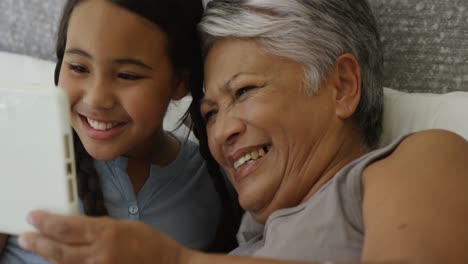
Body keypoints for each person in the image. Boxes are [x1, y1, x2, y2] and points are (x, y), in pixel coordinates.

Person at [16, 0, 468, 263]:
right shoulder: (240, 234)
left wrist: (176, 262)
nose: (221, 133)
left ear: (342, 86)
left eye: (245, 90)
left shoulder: (423, 159)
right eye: (210, 113)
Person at [0, 0, 241, 263]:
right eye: (79, 68)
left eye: (127, 75)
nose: (96, 99)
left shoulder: (216, 182)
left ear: (180, 81)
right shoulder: (19, 155)